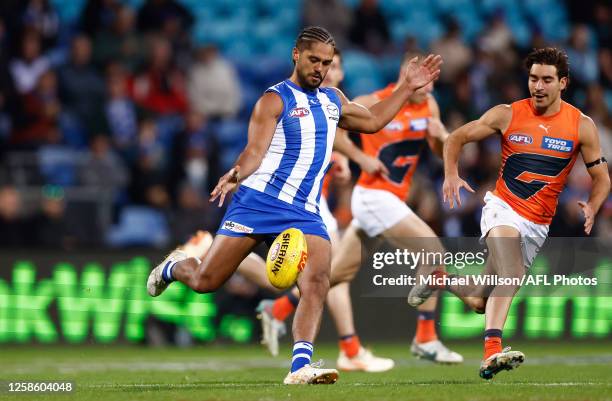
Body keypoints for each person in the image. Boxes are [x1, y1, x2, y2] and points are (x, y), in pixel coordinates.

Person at [147, 26, 442, 385]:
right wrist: (237, 173)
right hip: (257, 202)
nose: (320, 68)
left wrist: (406, 88)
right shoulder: (274, 99)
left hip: (304, 209)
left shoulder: (333, 100)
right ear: (296, 56)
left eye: (326, 62)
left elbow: (375, 120)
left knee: (317, 281)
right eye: (314, 60)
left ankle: (300, 365)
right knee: (206, 280)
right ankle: (175, 267)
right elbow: (254, 151)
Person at [258, 52, 463, 369]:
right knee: (433, 251)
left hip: (393, 199)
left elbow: (438, 151)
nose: (427, 85)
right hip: (373, 197)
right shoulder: (374, 100)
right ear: (404, 73)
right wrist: (356, 157)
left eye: (431, 79)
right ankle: (425, 338)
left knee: (335, 275)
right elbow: (335, 131)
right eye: (420, 76)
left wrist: (441, 139)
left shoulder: (430, 107)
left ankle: (279, 309)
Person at [416, 47, 610, 379]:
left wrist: (592, 205)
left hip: (538, 225)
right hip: (502, 209)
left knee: (479, 301)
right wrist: (450, 173)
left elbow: (602, 178)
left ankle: (439, 279)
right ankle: (491, 351)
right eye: (533, 78)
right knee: (512, 273)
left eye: (547, 80)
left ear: (562, 83)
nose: (538, 86)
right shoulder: (507, 114)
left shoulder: (582, 125)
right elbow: (457, 138)